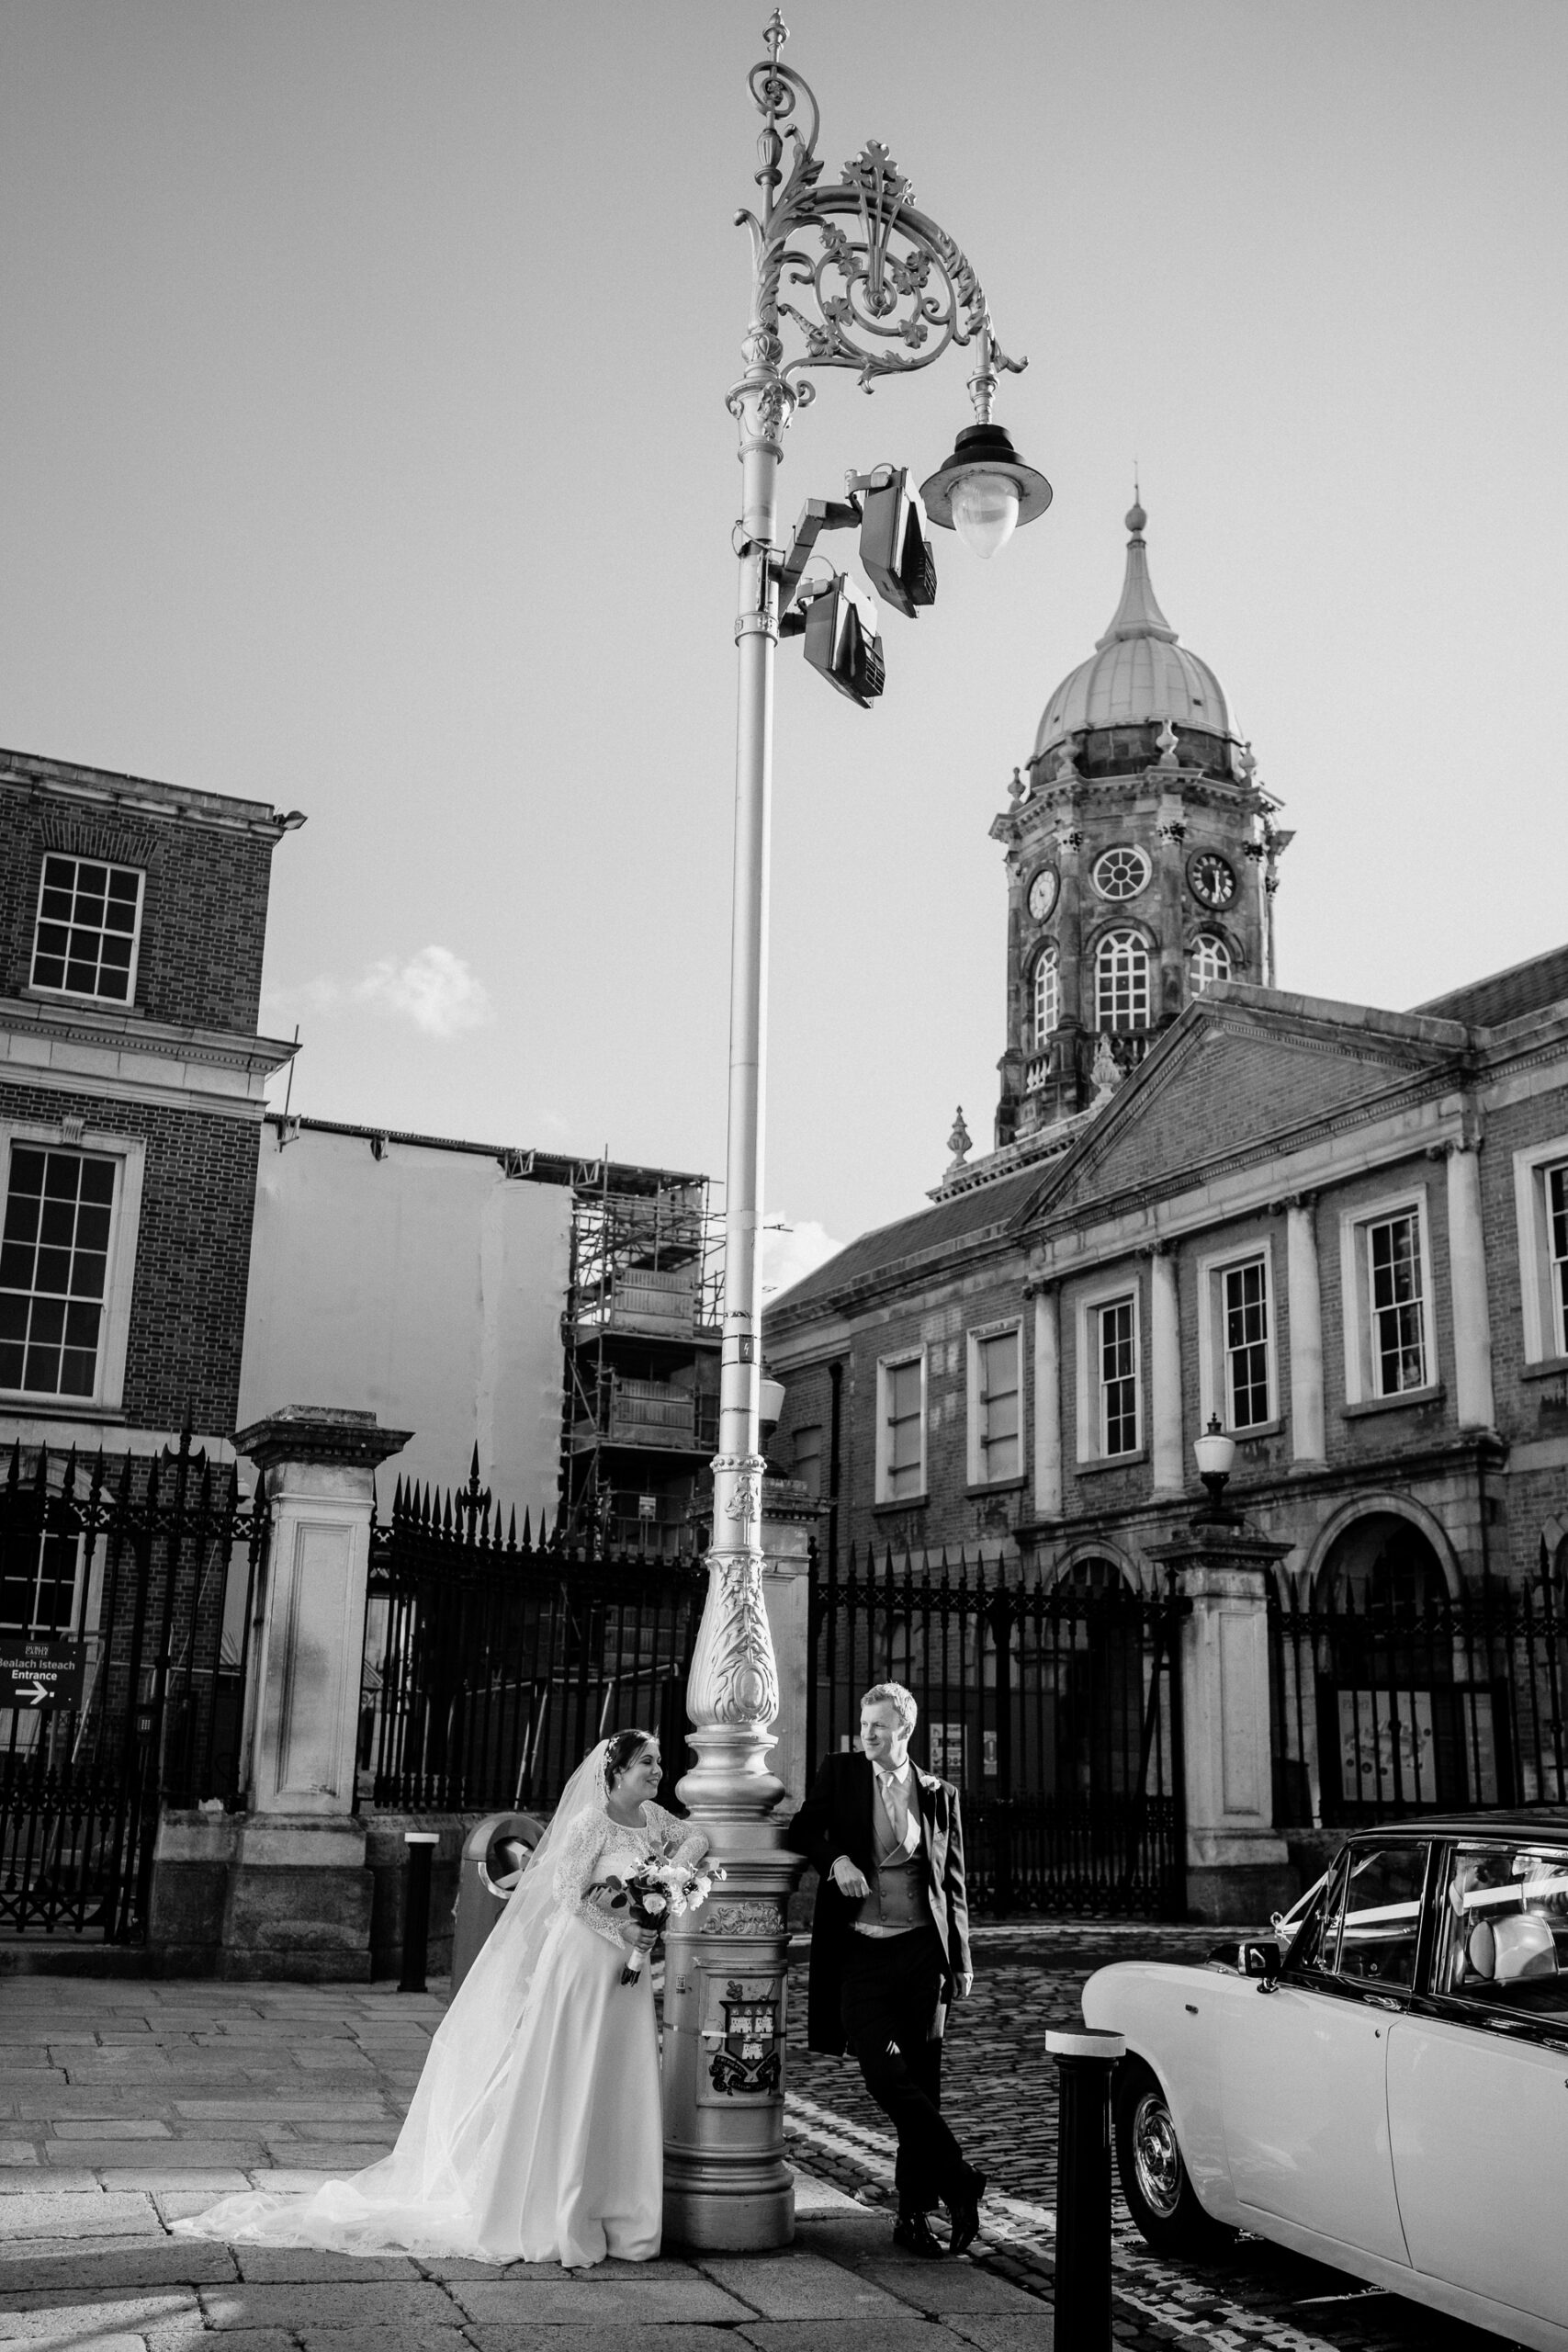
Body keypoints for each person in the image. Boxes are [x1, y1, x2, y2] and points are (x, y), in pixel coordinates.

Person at [174, 1730, 706, 2268]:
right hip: (586, 1965)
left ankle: (623, 2215)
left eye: (660, 1761)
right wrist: (627, 1931)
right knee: (574, 2076)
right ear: (615, 1772)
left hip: (625, 1973)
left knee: (620, 2079)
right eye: (647, 1762)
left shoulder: (654, 1819)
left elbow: (697, 1839)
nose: (658, 1771)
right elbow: (568, 1895)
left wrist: (670, 1880)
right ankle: (562, 2211)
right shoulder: (593, 1821)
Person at [786, 1680, 985, 2259]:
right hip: (862, 1953)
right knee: (884, 2074)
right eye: (864, 1723)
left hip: (924, 1954)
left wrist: (963, 1960)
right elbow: (803, 1829)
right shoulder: (843, 1774)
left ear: (905, 1730)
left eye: (878, 1726)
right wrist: (837, 1860)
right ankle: (960, 2177)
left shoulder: (939, 1793)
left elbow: (953, 1883)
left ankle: (915, 2214)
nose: (866, 1733)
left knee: (923, 2084)